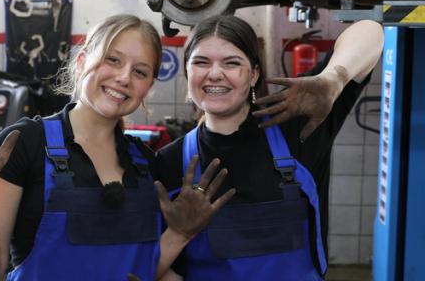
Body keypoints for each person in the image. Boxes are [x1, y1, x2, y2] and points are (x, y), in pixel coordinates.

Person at [0, 14, 235, 281]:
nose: (124, 77)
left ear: (147, 88)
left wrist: (178, 235)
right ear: (82, 62)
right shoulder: (26, 143)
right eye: (113, 59)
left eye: (140, 71)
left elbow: (141, 268)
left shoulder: (144, 164)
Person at [154, 15, 383, 280]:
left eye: (232, 63)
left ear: (254, 75)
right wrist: (178, 236)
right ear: (187, 72)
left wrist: (334, 78)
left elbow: (371, 32)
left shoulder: (298, 128)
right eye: (201, 62)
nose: (215, 74)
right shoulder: (168, 162)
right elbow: (149, 267)